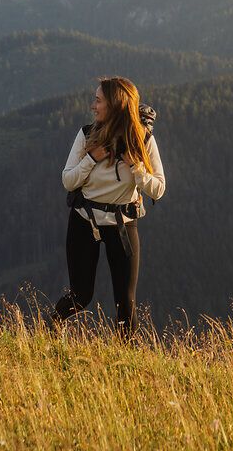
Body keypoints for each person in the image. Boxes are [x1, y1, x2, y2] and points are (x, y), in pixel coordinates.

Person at [54, 76, 166, 337]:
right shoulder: (86, 135)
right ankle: (48, 330)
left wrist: (136, 167)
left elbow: (158, 189)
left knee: (125, 303)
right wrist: (92, 158)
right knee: (80, 295)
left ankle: (125, 363)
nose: (93, 106)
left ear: (115, 105)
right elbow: (68, 180)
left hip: (122, 226)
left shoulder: (143, 141)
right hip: (85, 221)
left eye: (98, 100)